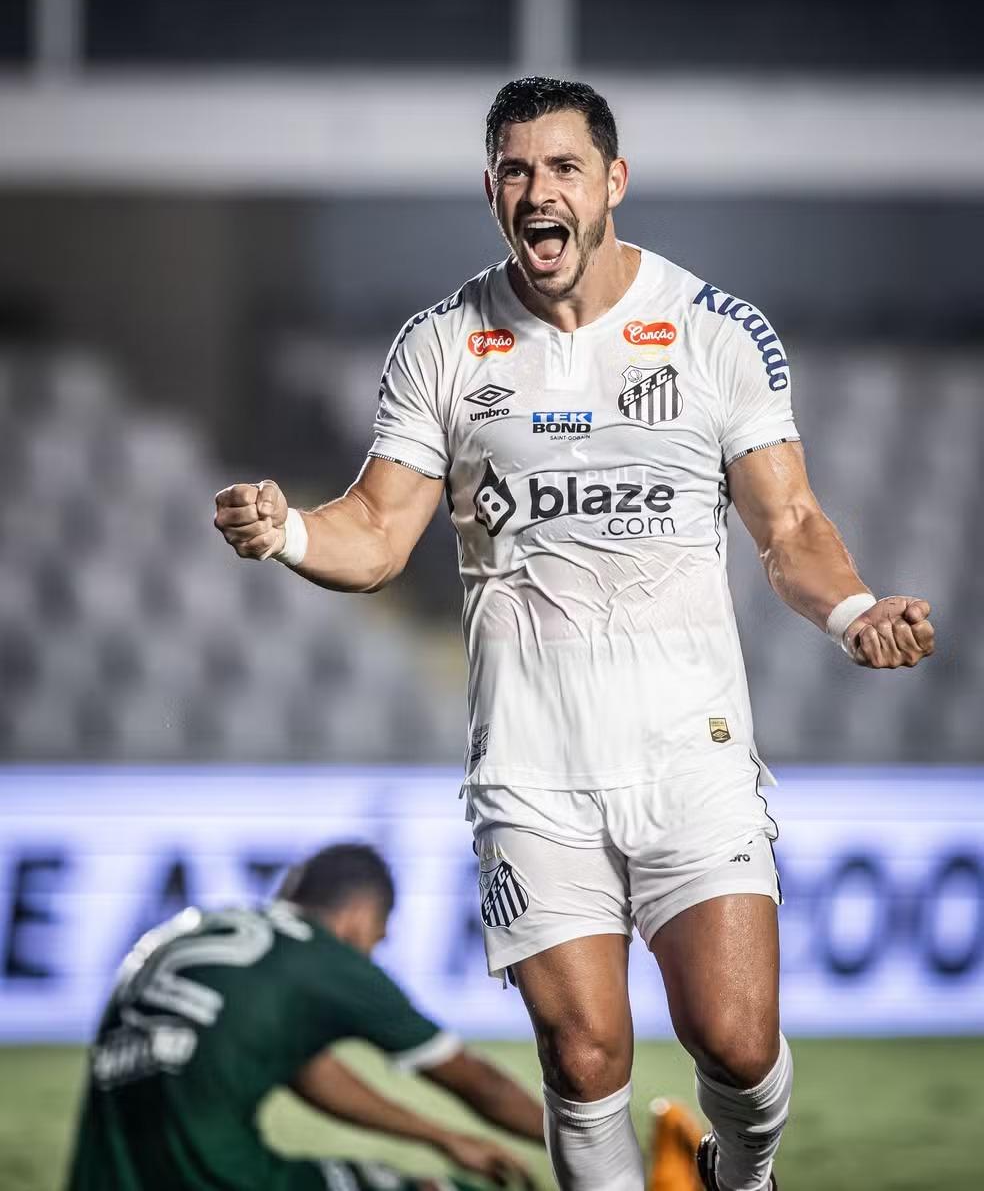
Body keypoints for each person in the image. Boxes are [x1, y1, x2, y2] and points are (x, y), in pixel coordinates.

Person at [213, 77, 936, 1191]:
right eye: (514, 169)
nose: (537, 190)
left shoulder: (713, 331)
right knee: (584, 1051)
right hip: (533, 771)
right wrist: (287, 533)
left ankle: (742, 1178)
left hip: (688, 756)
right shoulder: (443, 345)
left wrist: (852, 612)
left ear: (612, 183)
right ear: (491, 189)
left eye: (561, 168)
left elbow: (788, 526)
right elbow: (375, 532)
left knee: (736, 1044)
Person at [66, 843, 544, 1190]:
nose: (374, 950)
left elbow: (306, 1070)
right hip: (213, 1180)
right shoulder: (325, 960)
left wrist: (440, 1136)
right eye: (380, 934)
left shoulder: (198, 930)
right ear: (360, 915)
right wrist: (588, 1148)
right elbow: (479, 1084)